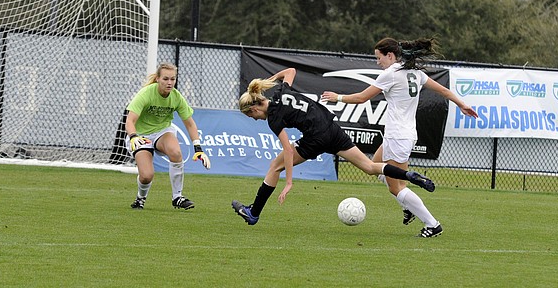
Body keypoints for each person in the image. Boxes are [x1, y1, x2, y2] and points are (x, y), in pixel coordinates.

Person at [231, 67, 436, 228]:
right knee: (369, 166)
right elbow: (290, 71)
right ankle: (408, 176)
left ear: (254, 107)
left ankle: (253, 213)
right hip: (332, 129)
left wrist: (289, 183)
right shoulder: (283, 90)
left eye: (251, 115)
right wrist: (265, 84)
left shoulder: (274, 119)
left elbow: (286, 151)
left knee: (275, 166)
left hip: (314, 139)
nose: (255, 119)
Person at [321, 37, 479, 238]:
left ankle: (432, 224)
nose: (378, 62)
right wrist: (462, 104)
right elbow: (444, 90)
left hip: (398, 137)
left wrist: (338, 97)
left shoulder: (391, 74)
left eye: (379, 58)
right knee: (374, 167)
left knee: (397, 188)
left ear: (390, 55)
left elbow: (362, 98)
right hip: (400, 135)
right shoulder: (415, 73)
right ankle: (408, 206)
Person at [125, 63, 211, 210]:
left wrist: (198, 148)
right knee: (146, 176)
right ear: (158, 79)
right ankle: (140, 199)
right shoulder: (146, 93)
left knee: (176, 152)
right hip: (141, 135)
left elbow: (190, 124)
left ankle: (177, 197)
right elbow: (130, 120)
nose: (170, 83)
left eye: (173, 79)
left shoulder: (176, 97)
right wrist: (133, 136)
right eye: (165, 79)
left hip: (162, 132)